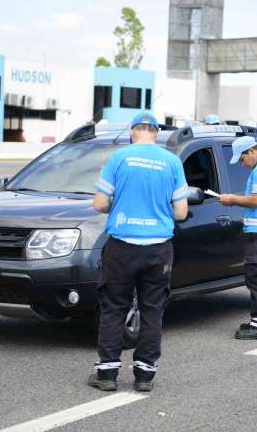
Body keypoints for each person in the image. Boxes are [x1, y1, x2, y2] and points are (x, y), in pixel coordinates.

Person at [89, 112, 189, 392]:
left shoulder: (118, 159)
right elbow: (181, 213)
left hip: (121, 247)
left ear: (133, 131)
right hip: (158, 249)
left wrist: (119, 206)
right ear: (156, 134)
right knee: (152, 311)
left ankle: (107, 374)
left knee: (113, 308)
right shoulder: (171, 161)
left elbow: (99, 204)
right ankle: (145, 375)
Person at [219, 136, 257, 340]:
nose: (242, 164)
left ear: (252, 151)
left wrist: (230, 200)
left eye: (242, 159)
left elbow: (256, 200)